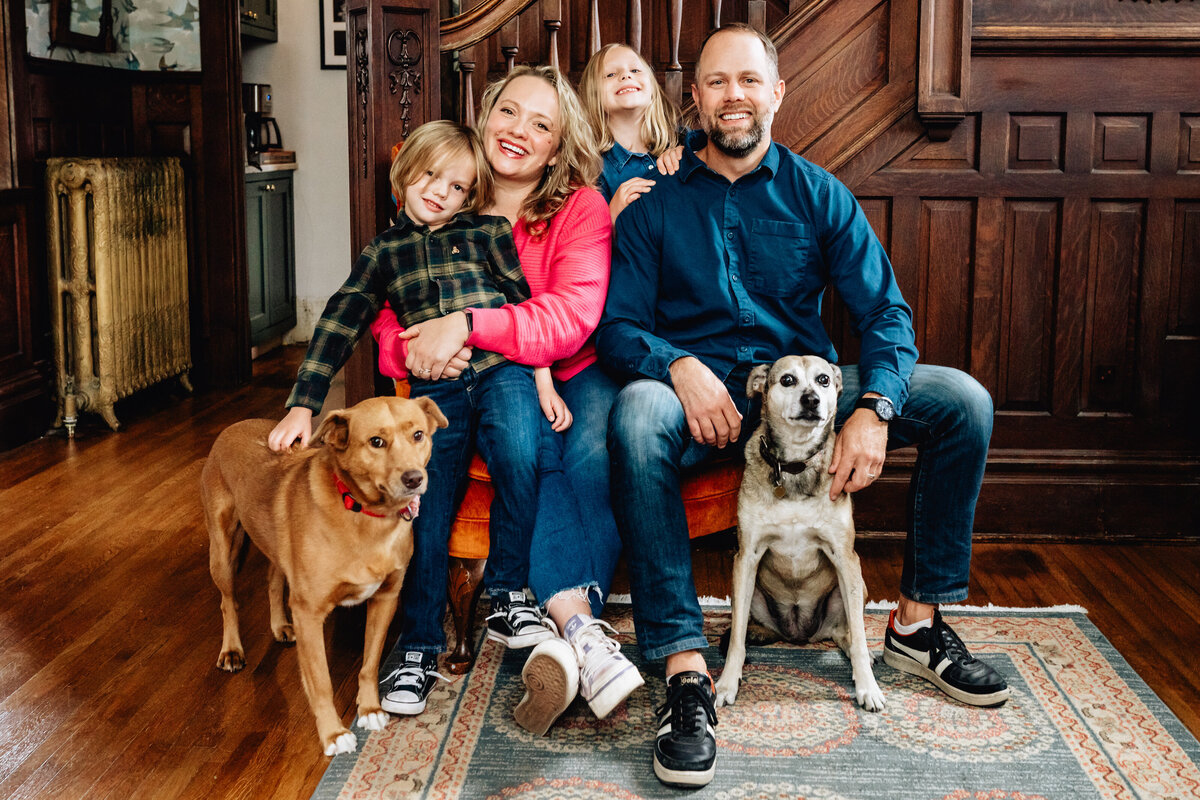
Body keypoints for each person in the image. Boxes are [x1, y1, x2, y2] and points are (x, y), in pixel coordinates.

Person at [595, 24, 1010, 789]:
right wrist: (678, 364)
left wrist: (875, 405)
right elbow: (617, 326)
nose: (734, 97)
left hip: (806, 393)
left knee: (962, 400)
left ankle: (917, 626)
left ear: (777, 93)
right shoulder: (656, 205)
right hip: (707, 400)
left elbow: (886, 315)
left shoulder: (819, 194)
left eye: (750, 81)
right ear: (695, 97)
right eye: (717, 82)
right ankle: (687, 673)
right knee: (636, 414)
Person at [371, 66, 643, 732]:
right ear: (485, 114)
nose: (519, 132)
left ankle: (570, 630)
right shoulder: (448, 190)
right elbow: (388, 302)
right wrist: (408, 349)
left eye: (541, 124)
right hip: (471, 376)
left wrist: (464, 326)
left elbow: (570, 316)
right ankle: (575, 635)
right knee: (507, 456)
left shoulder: (577, 206)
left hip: (575, 368)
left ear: (557, 146)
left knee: (575, 455)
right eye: (509, 113)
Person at [268, 119, 560, 717]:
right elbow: (341, 319)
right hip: (437, 389)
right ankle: (420, 646)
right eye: (430, 175)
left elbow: (524, 307)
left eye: (457, 187)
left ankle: (507, 591)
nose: (440, 192)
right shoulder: (383, 254)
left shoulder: (488, 232)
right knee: (424, 500)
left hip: (502, 368)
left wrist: (543, 378)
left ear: (470, 196)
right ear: (405, 175)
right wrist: (304, 401)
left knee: (519, 448)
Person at [578, 43, 679, 221]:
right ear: (593, 94)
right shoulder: (590, 167)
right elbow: (589, 240)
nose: (626, 75)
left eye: (635, 70)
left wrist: (685, 152)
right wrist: (613, 215)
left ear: (652, 88)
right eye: (610, 74)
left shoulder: (682, 140)